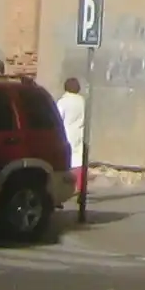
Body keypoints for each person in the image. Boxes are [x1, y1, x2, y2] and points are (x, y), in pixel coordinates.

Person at [55, 74, 89, 221]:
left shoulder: (63, 102)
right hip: (79, 134)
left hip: (66, 134)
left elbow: (57, 119)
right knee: (79, 161)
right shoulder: (82, 101)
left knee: (65, 163)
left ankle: (64, 192)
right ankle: (80, 189)